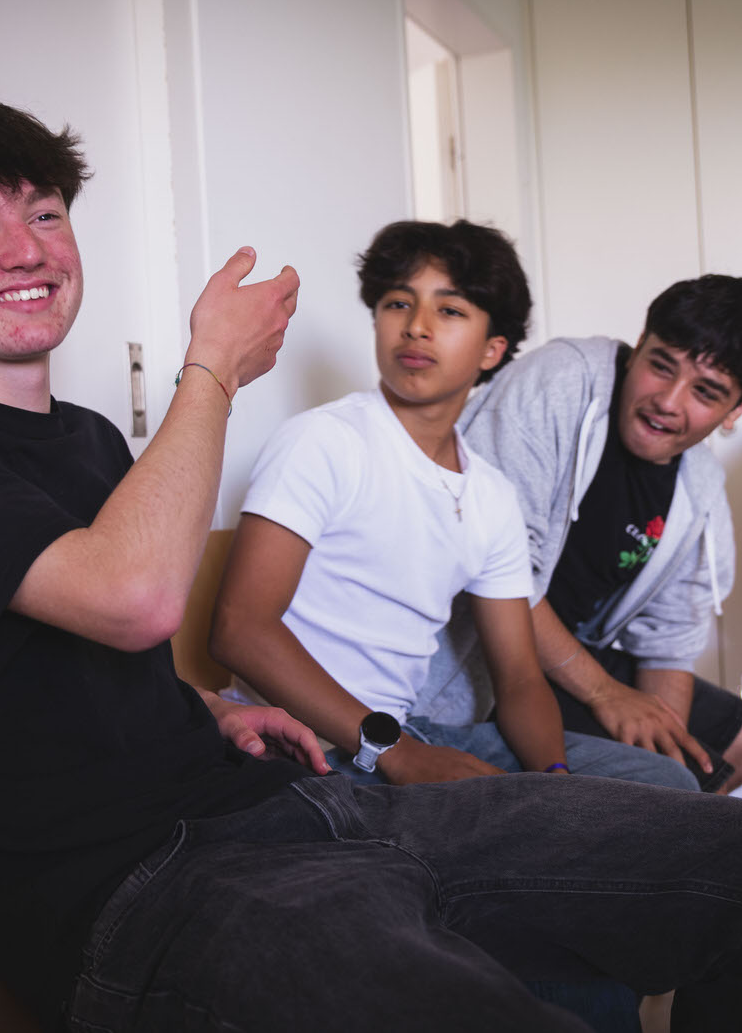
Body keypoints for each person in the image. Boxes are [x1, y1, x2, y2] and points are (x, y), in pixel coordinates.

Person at [0, 94, 742, 1032]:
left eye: (45, 215)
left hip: (297, 802)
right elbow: (135, 600)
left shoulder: (91, 440)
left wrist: (207, 709)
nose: (24, 249)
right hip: (147, 892)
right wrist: (213, 368)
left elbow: (82, 658)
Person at [211, 219, 695, 794]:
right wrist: (396, 752)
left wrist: (556, 784)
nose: (416, 326)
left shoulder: (490, 495)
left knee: (661, 782)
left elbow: (520, 680)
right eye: (398, 303)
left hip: (404, 733)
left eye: (449, 310)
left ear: (492, 350)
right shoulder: (325, 440)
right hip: (307, 744)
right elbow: (240, 630)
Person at [422, 276, 742, 794]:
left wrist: (663, 751)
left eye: (705, 392)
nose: (667, 402)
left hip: (563, 656)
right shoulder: (559, 381)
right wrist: (604, 694)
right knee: (661, 783)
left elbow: (666, 645)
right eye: (661, 366)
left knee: (740, 742)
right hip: (469, 644)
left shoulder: (700, 489)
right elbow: (493, 568)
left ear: (737, 410)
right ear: (638, 345)